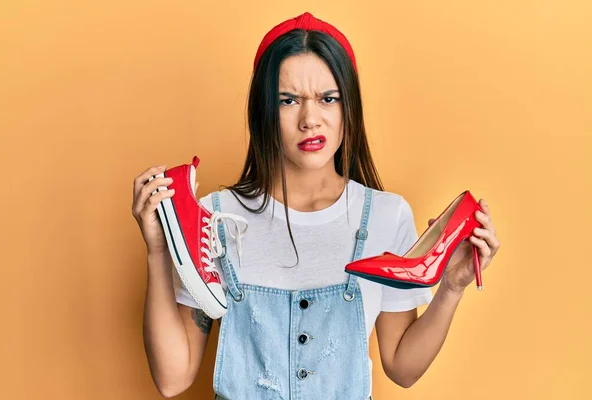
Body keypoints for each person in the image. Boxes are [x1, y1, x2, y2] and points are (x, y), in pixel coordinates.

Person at [132, 11, 501, 400]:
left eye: (328, 99)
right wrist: (158, 249)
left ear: (349, 108)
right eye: (288, 100)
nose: (311, 119)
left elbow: (402, 368)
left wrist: (451, 289)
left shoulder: (386, 216)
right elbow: (173, 378)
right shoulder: (215, 218)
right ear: (264, 113)